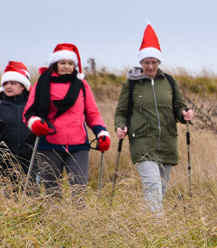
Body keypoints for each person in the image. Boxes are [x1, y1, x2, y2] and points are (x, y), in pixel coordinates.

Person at [114, 24, 193, 213]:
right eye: (147, 62)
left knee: (161, 190)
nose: (150, 66)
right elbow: (120, 112)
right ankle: (159, 228)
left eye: (154, 62)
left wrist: (185, 114)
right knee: (153, 186)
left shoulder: (169, 82)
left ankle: (147, 224)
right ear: (141, 63)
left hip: (167, 142)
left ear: (159, 62)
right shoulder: (131, 84)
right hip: (142, 142)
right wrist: (120, 126)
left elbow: (179, 107)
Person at [24, 44, 110, 194]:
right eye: (63, 63)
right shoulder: (41, 84)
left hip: (78, 145)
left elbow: (92, 114)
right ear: (54, 64)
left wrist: (101, 132)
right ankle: (54, 218)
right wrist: (35, 123)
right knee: (52, 191)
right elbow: (28, 113)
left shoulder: (82, 85)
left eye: (70, 63)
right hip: (49, 143)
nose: (66, 66)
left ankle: (78, 218)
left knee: (79, 188)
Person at [0, 62, 35, 185]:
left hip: (30, 156)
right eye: (6, 83)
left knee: (30, 192)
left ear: (23, 86)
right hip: (3, 157)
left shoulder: (32, 105)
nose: (8, 86)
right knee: (7, 193)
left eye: (13, 83)